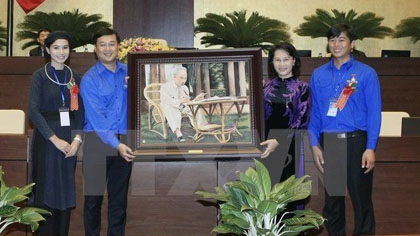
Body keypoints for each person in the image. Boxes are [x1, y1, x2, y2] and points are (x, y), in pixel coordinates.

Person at [308, 24, 381, 235]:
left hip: (357, 142)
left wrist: (371, 147)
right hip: (330, 143)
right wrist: (314, 144)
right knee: (333, 203)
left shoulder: (366, 74)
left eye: (341, 39)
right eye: (332, 40)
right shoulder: (318, 74)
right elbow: (314, 114)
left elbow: (374, 113)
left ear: (352, 44)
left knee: (361, 199)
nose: (336, 44)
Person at [28, 31, 84, 236]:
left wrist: (77, 140)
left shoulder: (74, 76)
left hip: (69, 140)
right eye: (56, 47)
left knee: (64, 191)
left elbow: (80, 112)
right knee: (47, 190)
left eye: (65, 47)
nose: (61, 52)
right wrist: (55, 139)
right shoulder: (40, 75)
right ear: (48, 49)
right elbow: (33, 111)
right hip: (47, 139)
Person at [80, 28, 134, 236]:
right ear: (96, 49)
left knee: (119, 202)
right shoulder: (90, 79)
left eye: (112, 44)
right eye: (103, 44)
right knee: (93, 201)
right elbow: (97, 119)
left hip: (125, 141)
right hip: (97, 143)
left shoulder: (131, 72)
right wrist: (117, 145)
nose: (108, 48)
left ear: (118, 47)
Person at [260, 42, 311, 189]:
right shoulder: (263, 87)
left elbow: (301, 120)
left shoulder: (303, 88)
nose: (282, 64)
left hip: (290, 146)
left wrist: (278, 140)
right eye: (277, 60)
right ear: (272, 62)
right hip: (265, 146)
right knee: (266, 193)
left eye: (286, 59)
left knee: (288, 194)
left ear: (294, 60)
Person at [160, 66, 207, 142]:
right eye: (181, 78)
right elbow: (166, 101)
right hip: (170, 107)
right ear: (174, 77)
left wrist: (195, 100)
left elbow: (187, 103)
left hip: (182, 108)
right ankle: (179, 133)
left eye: (185, 78)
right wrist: (181, 101)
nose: (184, 81)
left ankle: (201, 128)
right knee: (171, 109)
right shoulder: (165, 87)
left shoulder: (185, 88)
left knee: (195, 106)